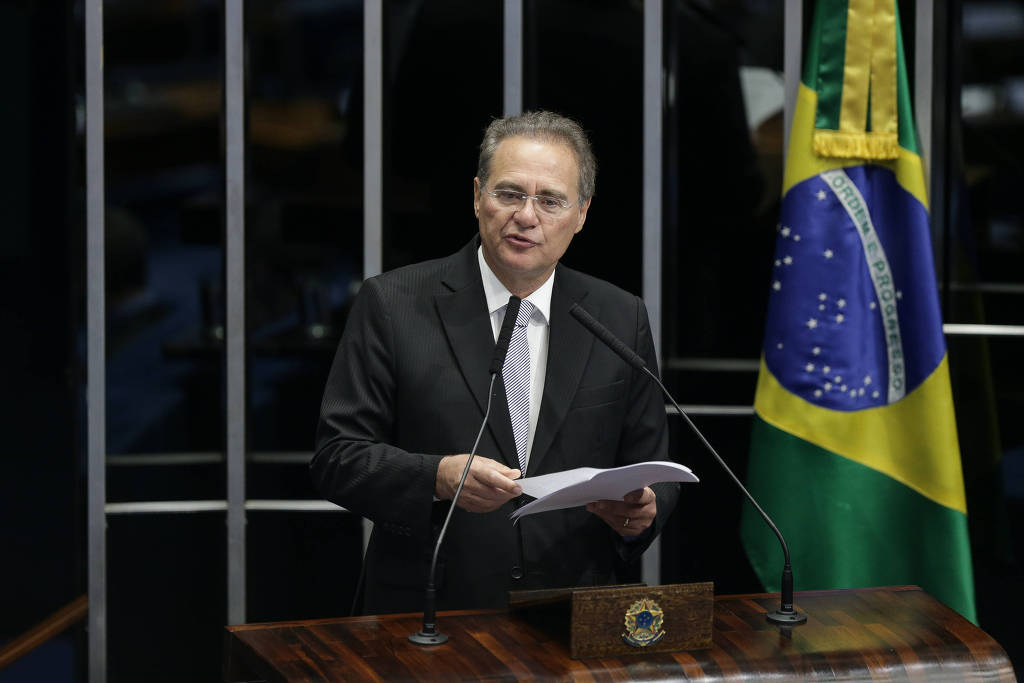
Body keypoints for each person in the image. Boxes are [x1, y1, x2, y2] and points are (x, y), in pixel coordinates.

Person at [311, 111, 679, 614]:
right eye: (509, 194)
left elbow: (651, 464)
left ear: (582, 213)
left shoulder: (618, 315)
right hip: (429, 612)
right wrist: (437, 475)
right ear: (478, 196)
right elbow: (338, 458)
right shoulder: (394, 303)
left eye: (551, 200)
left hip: (573, 612)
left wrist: (645, 509)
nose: (527, 216)